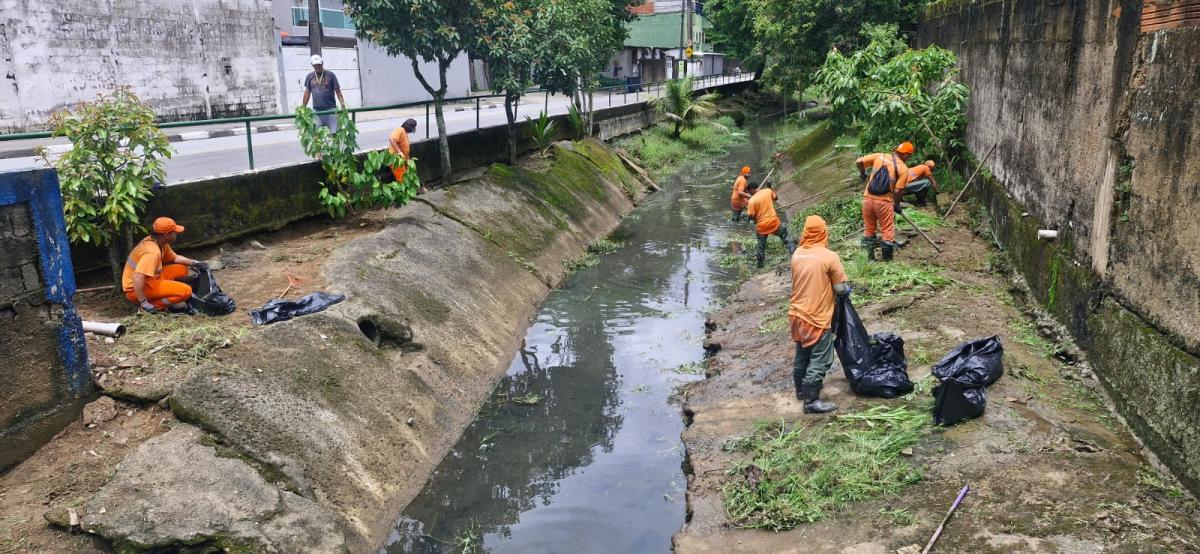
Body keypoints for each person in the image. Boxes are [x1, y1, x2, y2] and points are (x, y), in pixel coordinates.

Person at [789, 215, 850, 413]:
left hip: (796, 314)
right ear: (823, 232)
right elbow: (840, 288)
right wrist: (847, 290)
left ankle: (801, 390)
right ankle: (811, 401)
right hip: (817, 316)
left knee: (802, 352)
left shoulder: (797, 253)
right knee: (821, 357)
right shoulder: (829, 256)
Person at [122, 217, 207, 314]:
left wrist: (195, 263)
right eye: (174, 232)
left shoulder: (160, 242)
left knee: (181, 268)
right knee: (186, 291)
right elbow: (138, 278)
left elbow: (174, 258)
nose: (177, 234)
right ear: (167, 235)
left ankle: (163, 293)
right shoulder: (152, 252)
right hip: (135, 289)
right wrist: (144, 302)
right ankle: (148, 307)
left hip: (149, 280)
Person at [855, 141, 914, 262]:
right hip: (884, 202)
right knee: (887, 231)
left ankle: (870, 260)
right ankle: (887, 261)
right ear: (906, 155)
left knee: (869, 229)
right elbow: (897, 191)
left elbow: (859, 162)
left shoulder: (879, 156)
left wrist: (862, 173)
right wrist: (896, 205)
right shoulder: (903, 169)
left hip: (867, 200)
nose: (909, 158)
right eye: (909, 155)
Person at [745, 181, 795, 268]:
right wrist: (770, 187)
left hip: (762, 227)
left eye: (749, 192)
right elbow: (775, 198)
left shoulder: (751, 201)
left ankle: (760, 267)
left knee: (761, 247)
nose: (749, 194)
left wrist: (751, 217)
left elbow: (752, 216)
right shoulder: (768, 191)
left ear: (752, 190)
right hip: (774, 222)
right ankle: (795, 257)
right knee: (787, 239)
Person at [301, 55, 346, 133]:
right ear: (312, 65)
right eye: (315, 65)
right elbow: (307, 92)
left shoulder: (331, 75)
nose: (317, 66)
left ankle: (335, 145)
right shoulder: (310, 76)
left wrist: (343, 105)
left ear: (322, 63)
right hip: (317, 111)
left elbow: (338, 91)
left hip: (330, 109)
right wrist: (303, 107)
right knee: (316, 135)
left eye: (319, 64)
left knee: (334, 133)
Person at [389, 118, 418, 183]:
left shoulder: (404, 133)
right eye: (414, 127)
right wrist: (399, 152)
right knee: (401, 177)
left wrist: (409, 161)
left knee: (407, 175)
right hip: (396, 159)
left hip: (402, 159)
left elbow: (405, 149)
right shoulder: (400, 130)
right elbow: (391, 139)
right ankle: (403, 191)